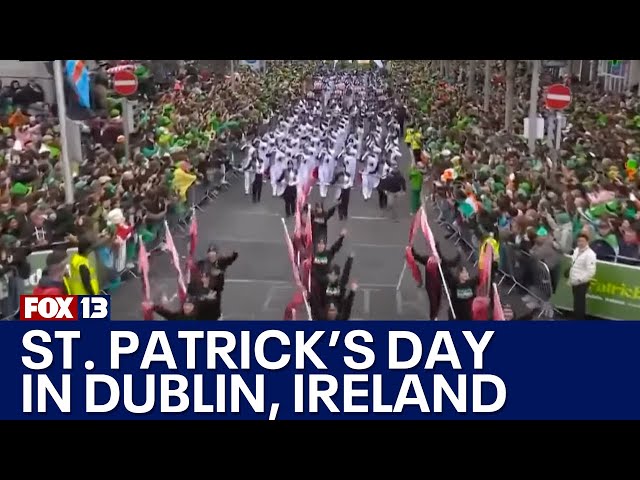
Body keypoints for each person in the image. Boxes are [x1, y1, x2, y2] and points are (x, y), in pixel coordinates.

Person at [567, 233, 597, 319]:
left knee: (580, 303)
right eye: (579, 241)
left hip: (582, 282)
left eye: (582, 241)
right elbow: (573, 263)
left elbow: (591, 271)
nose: (580, 243)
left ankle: (579, 319)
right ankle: (576, 317)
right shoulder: (576, 250)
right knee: (576, 302)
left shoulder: (590, 254)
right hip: (574, 280)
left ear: (587, 242)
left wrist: (580, 280)